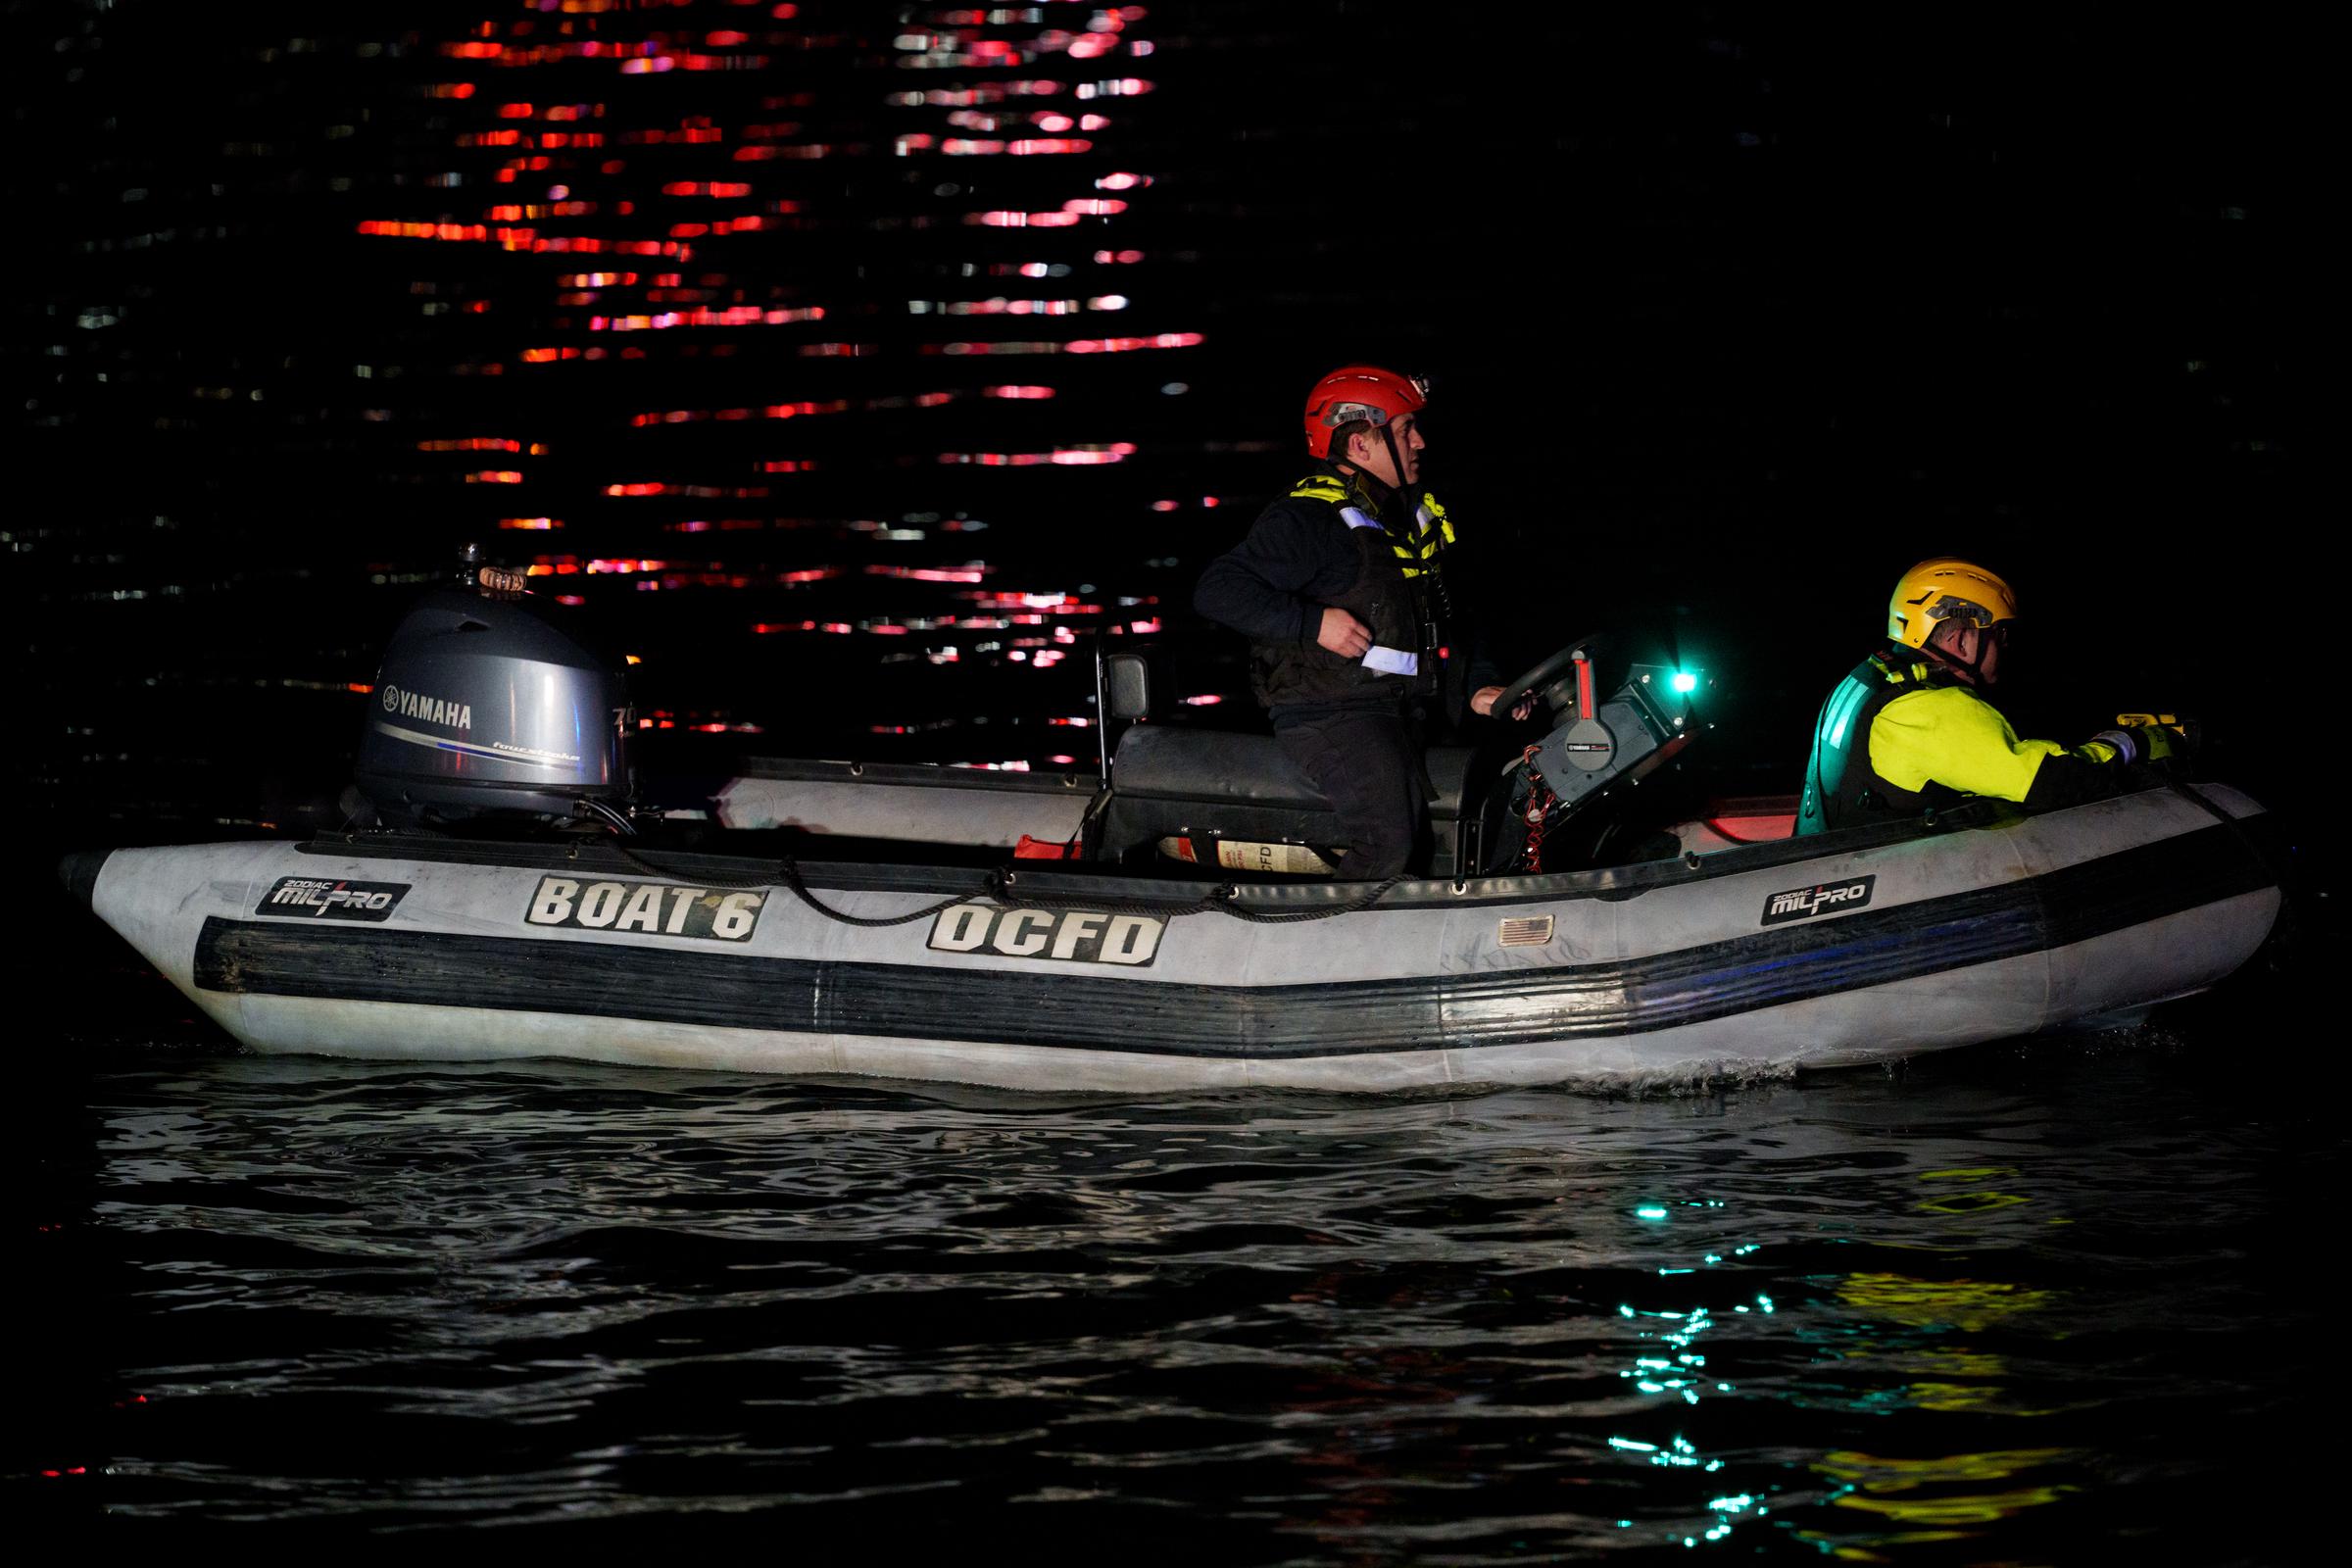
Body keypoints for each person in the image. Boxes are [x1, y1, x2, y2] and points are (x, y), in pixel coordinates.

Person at [1193, 366, 1525, 879]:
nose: (1419, 440)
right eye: (1404, 430)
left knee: (1499, 805)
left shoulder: (1414, 516)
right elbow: (1217, 590)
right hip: (1332, 714)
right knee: (1387, 841)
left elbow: (1459, 617)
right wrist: (1311, 623)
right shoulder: (1308, 518)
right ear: (1359, 443)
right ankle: (1321, 947)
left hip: (1406, 709)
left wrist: (1480, 685)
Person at [1795, 557, 2186, 836]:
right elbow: (2054, 782)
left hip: (1839, 856)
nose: (2006, 649)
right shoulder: (1933, 711)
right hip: (1880, 879)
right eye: (2001, 636)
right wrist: (2126, 743)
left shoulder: (1868, 679)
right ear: (1963, 638)